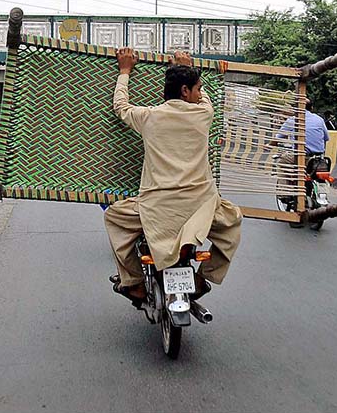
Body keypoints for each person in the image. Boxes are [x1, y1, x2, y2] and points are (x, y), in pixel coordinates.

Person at [104, 48, 243, 305]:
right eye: (197, 88)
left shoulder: (148, 117)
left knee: (114, 218)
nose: (200, 93)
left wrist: (124, 72)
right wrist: (185, 65)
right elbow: (205, 101)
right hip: (200, 207)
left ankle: (133, 282)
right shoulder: (203, 115)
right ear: (185, 91)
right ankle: (203, 278)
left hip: (157, 208)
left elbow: (120, 106)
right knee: (232, 224)